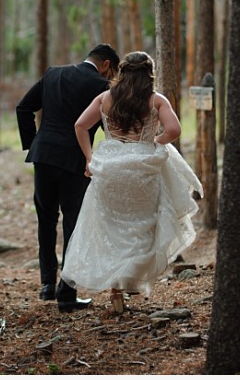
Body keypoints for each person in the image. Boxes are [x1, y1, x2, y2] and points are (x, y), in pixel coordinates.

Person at [61, 51, 203, 314]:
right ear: (149, 74)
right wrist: (154, 142)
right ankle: (132, 279)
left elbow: (80, 125)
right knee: (142, 227)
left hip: (109, 169)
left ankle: (116, 288)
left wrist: (90, 158)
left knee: (110, 229)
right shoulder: (155, 100)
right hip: (142, 169)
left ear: (122, 72)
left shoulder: (105, 98)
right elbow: (174, 130)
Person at [16, 43, 121, 312]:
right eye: (113, 72)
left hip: (44, 156)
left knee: (46, 219)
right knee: (74, 224)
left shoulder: (53, 74)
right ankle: (67, 291)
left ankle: (46, 285)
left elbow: (23, 108)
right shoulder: (102, 87)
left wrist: (34, 144)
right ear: (106, 64)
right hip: (76, 161)